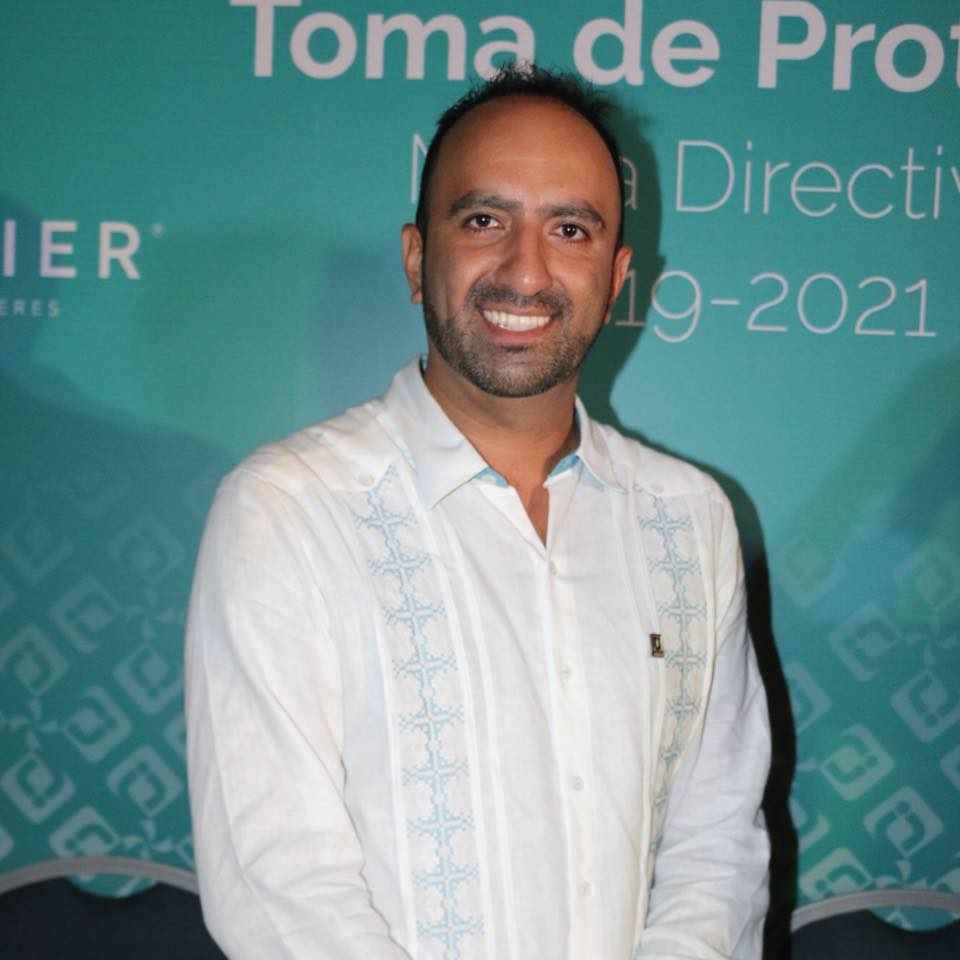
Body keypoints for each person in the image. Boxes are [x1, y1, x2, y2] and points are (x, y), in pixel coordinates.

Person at [185, 65, 771, 960]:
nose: (525, 270)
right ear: (418, 258)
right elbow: (278, 887)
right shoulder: (288, 513)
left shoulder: (688, 521)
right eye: (484, 221)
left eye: (570, 229)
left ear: (616, 276)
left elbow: (717, 840)